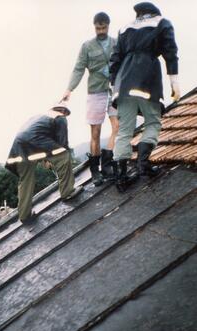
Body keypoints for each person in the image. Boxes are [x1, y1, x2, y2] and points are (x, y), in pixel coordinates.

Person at [110, 1, 180, 191]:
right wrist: (174, 82)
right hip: (147, 78)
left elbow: (115, 59)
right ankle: (144, 165)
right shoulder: (162, 22)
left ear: (138, 14)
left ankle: (121, 177)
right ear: (154, 12)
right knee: (153, 122)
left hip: (123, 83)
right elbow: (170, 52)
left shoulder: (125, 28)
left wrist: (114, 86)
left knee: (124, 130)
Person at [62, 12, 118, 186]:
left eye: (103, 27)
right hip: (96, 92)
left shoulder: (116, 43)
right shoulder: (87, 46)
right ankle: (95, 170)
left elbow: (123, 64)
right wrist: (69, 89)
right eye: (98, 27)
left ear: (108, 26)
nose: (100, 30)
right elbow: (78, 69)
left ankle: (107, 164)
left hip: (114, 91)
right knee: (95, 132)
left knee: (117, 127)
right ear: (94, 26)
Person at [5, 102, 83, 224]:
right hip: (35, 142)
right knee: (64, 155)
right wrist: (58, 158)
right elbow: (62, 144)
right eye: (66, 113)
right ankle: (67, 192)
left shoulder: (38, 117)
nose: (66, 116)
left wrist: (45, 159)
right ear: (62, 110)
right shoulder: (60, 118)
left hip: (19, 145)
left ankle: (24, 215)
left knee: (25, 179)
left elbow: (34, 136)